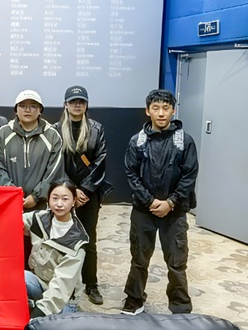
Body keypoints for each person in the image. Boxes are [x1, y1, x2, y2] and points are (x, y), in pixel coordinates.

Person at [121, 89, 198, 316]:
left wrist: (171, 202)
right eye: (156, 108)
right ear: (148, 111)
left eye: (166, 108)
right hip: (143, 211)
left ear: (173, 111)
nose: (161, 113)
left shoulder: (185, 141)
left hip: (175, 212)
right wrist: (149, 201)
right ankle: (134, 299)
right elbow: (131, 174)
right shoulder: (137, 141)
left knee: (176, 262)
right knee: (139, 258)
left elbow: (189, 176)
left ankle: (180, 306)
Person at [54, 86, 110, 305]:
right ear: (65, 104)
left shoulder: (97, 129)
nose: (77, 105)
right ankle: (63, 284)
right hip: (63, 194)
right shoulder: (55, 129)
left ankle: (91, 284)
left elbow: (100, 161)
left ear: (86, 104)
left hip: (89, 194)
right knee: (63, 239)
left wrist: (84, 190)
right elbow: (55, 163)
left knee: (89, 240)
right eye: (73, 101)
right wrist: (70, 191)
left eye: (81, 101)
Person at [0, 89, 63, 211]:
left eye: (33, 106)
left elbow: (55, 172)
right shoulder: (3, 133)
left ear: (40, 110)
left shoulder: (52, 136)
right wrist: (13, 193)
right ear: (16, 109)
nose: (27, 110)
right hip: (8, 203)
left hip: (41, 206)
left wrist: (36, 196)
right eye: (22, 106)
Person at [24, 180, 89, 318]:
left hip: (63, 297)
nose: (59, 204)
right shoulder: (39, 219)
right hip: (41, 282)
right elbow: (12, 220)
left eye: (65, 199)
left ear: (74, 201)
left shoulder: (77, 243)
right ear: (48, 199)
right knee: (19, 277)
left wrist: (37, 315)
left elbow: (61, 287)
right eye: (55, 198)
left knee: (47, 324)